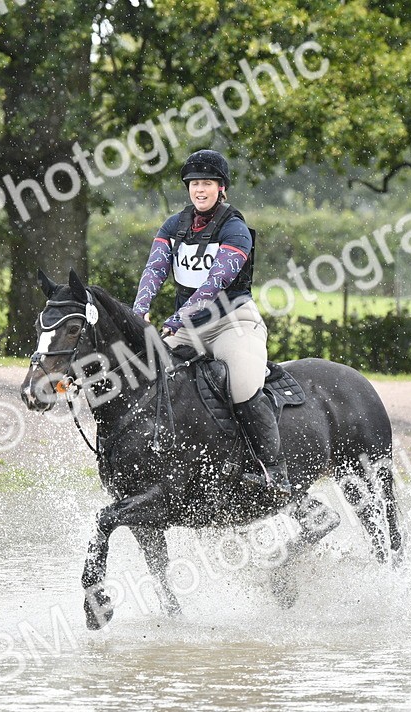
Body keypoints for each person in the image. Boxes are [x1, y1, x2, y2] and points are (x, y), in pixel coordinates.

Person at [131, 149, 290, 494]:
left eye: (207, 183)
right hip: (188, 329)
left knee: (243, 387)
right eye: (194, 184)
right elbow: (155, 269)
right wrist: (140, 309)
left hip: (232, 323)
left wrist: (177, 317)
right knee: (148, 376)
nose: (199, 190)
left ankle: (273, 471)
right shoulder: (174, 226)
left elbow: (215, 283)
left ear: (221, 188)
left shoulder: (236, 229)